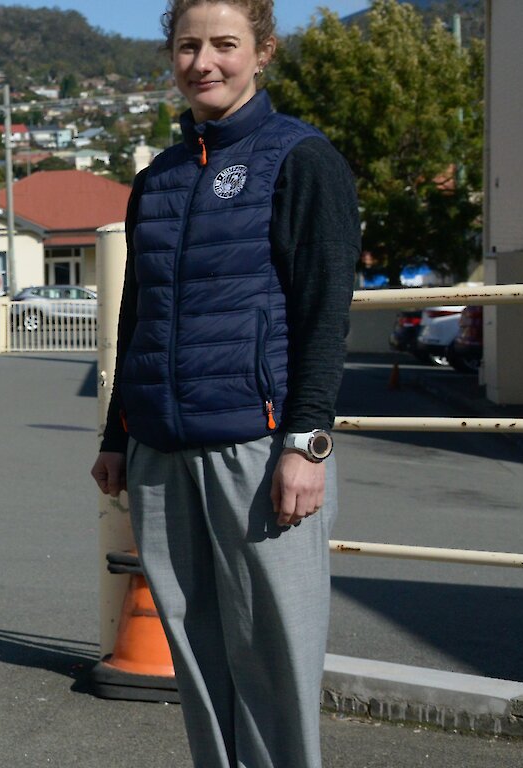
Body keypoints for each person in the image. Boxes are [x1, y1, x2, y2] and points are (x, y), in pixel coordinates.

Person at [89, 1, 357, 765]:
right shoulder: (159, 180)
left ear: (262, 52)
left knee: (274, 661)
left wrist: (307, 443)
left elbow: (323, 310)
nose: (204, 61)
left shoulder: (301, 158)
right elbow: (138, 314)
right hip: (162, 454)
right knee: (197, 661)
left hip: (260, 450)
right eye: (187, 46)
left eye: (224, 45)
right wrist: (118, 434)